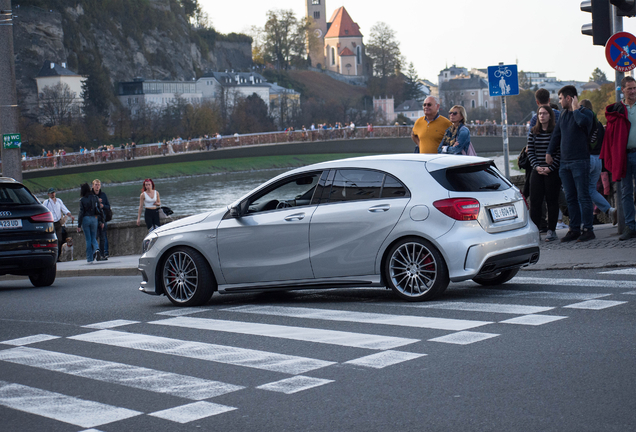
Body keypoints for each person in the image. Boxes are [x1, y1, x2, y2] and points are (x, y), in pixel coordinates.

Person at [546, 85, 594, 242]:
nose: (559, 102)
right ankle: (574, 229)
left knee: (583, 197)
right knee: (571, 198)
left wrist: (575, 109)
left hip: (580, 161)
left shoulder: (585, 113)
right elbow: (556, 135)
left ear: (569, 98)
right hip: (565, 163)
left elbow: (582, 123)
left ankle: (588, 229)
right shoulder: (563, 115)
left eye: (560, 98)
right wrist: (549, 152)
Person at [601, 75, 636, 240]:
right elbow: (610, 137)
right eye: (629, 88)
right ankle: (631, 226)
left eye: (635, 88)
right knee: (626, 192)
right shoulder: (617, 110)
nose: (633, 91)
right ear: (622, 90)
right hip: (624, 155)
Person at [579, 99, 616, 226]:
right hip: (598, 159)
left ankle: (584, 221)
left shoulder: (585, 123)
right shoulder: (599, 124)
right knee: (591, 190)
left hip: (587, 158)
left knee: (581, 190)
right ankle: (609, 210)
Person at [527, 105, 561, 242]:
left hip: (552, 172)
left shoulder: (555, 132)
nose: (542, 116)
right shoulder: (534, 132)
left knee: (552, 201)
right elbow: (530, 152)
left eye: (545, 113)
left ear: (550, 116)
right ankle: (535, 231)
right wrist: (536, 167)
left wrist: (550, 168)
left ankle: (551, 231)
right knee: (535, 201)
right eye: (540, 114)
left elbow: (559, 152)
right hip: (537, 171)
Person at [42, 187, 75, 261]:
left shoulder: (59, 201)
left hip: (58, 223)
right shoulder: (46, 202)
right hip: (50, 223)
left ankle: (57, 257)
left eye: (53, 193)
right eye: (51, 193)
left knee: (59, 240)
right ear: (48, 194)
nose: (52, 194)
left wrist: (70, 215)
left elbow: (64, 209)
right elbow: (43, 211)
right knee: (52, 240)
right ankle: (53, 256)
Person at [77, 183, 104, 263]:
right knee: (93, 237)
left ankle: (89, 258)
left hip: (85, 219)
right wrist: (102, 221)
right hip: (94, 218)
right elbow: (100, 210)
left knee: (88, 239)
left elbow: (81, 212)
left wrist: (79, 225)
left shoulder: (82, 200)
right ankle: (97, 249)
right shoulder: (95, 197)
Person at [92, 179, 110, 259]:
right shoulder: (90, 195)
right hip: (93, 219)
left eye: (98, 185)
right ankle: (94, 253)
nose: (97, 186)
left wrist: (103, 206)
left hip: (103, 218)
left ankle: (103, 254)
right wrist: (96, 202)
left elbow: (108, 206)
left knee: (103, 237)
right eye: (96, 184)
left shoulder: (103, 195)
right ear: (93, 186)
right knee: (94, 237)